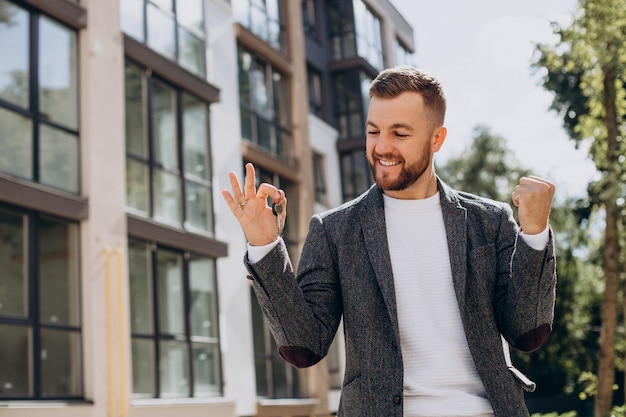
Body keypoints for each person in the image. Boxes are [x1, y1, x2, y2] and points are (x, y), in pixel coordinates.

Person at [222, 66, 556, 417]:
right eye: (373, 131)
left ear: (436, 139)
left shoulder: (489, 221)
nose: (382, 147)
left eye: (400, 133)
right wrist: (264, 245)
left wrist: (534, 233)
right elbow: (304, 347)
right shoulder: (335, 231)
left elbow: (527, 333)